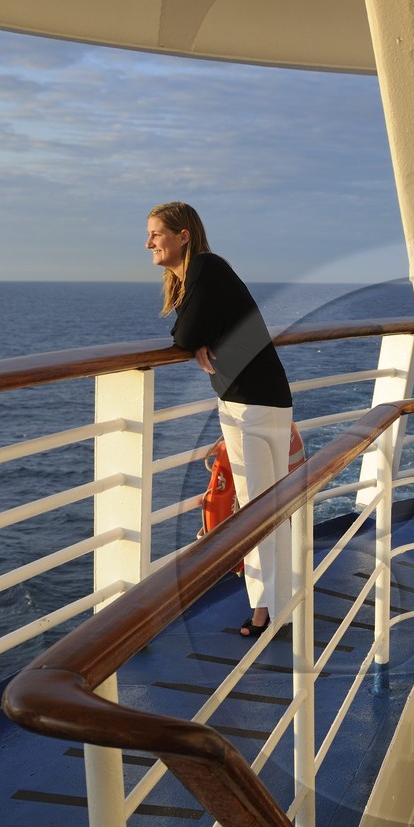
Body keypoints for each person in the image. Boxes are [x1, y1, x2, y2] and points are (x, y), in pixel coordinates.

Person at [148, 202, 293, 638]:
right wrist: (194, 338)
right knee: (270, 509)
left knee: (255, 511)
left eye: (156, 233)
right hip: (261, 400)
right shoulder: (199, 275)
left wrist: (193, 342)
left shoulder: (205, 269)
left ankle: (264, 613)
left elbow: (186, 336)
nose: (149, 242)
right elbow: (197, 330)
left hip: (248, 404)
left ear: (183, 235)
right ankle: (280, 604)